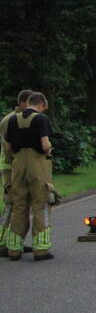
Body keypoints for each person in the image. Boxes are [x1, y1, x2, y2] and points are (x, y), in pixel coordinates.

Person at [5, 92, 55, 261]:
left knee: (19, 206)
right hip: (37, 165)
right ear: (41, 104)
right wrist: (49, 150)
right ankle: (41, 250)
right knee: (40, 205)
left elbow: (8, 146)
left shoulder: (13, 119)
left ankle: (14, 249)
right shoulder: (41, 119)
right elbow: (44, 144)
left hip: (18, 166)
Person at [1, 89, 33, 255]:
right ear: (22, 103)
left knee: (21, 205)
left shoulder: (22, 118)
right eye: (30, 103)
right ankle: (2, 242)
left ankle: (16, 241)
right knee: (11, 204)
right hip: (10, 167)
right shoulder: (10, 120)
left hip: (18, 166)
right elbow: (8, 147)